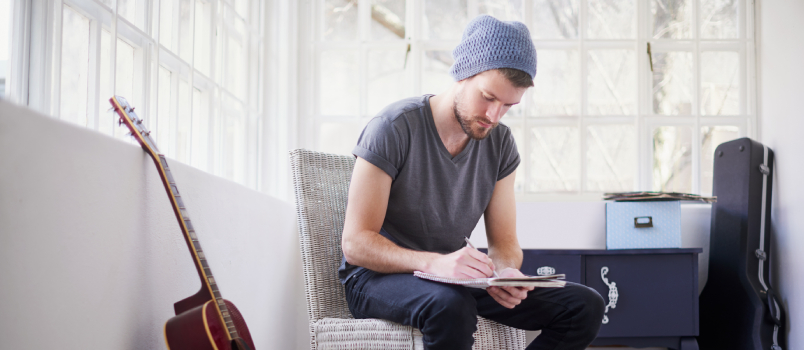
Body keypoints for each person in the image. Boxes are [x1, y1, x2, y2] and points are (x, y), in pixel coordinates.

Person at [339, 15, 605, 350]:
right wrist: (434, 263)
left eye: (508, 105)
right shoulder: (393, 127)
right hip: (377, 278)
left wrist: (503, 273)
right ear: (463, 73)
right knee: (452, 305)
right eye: (488, 97)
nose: (494, 116)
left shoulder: (501, 144)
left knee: (584, 305)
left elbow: (505, 244)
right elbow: (356, 243)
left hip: (453, 277)